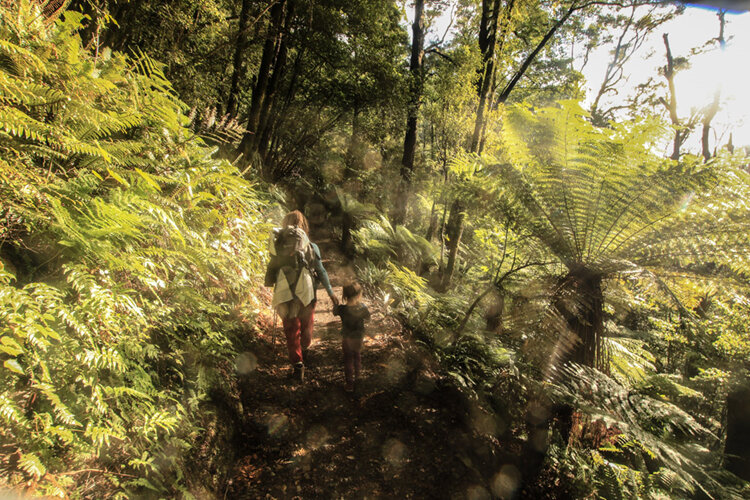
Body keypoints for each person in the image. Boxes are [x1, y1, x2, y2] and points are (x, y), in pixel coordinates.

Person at [266, 210, 337, 382]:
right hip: (306, 291)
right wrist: (331, 293)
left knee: (291, 329)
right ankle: (304, 348)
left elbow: (271, 270)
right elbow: (321, 271)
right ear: (303, 226)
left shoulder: (278, 245)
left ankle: (297, 364)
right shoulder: (312, 247)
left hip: (284, 291)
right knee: (306, 325)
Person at [333, 282, 370, 392]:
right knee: (357, 355)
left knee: (348, 359)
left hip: (346, 338)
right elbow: (368, 318)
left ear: (344, 296)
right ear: (359, 295)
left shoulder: (342, 309)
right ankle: (358, 377)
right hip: (358, 337)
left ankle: (349, 384)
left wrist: (335, 304)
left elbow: (335, 312)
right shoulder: (362, 308)